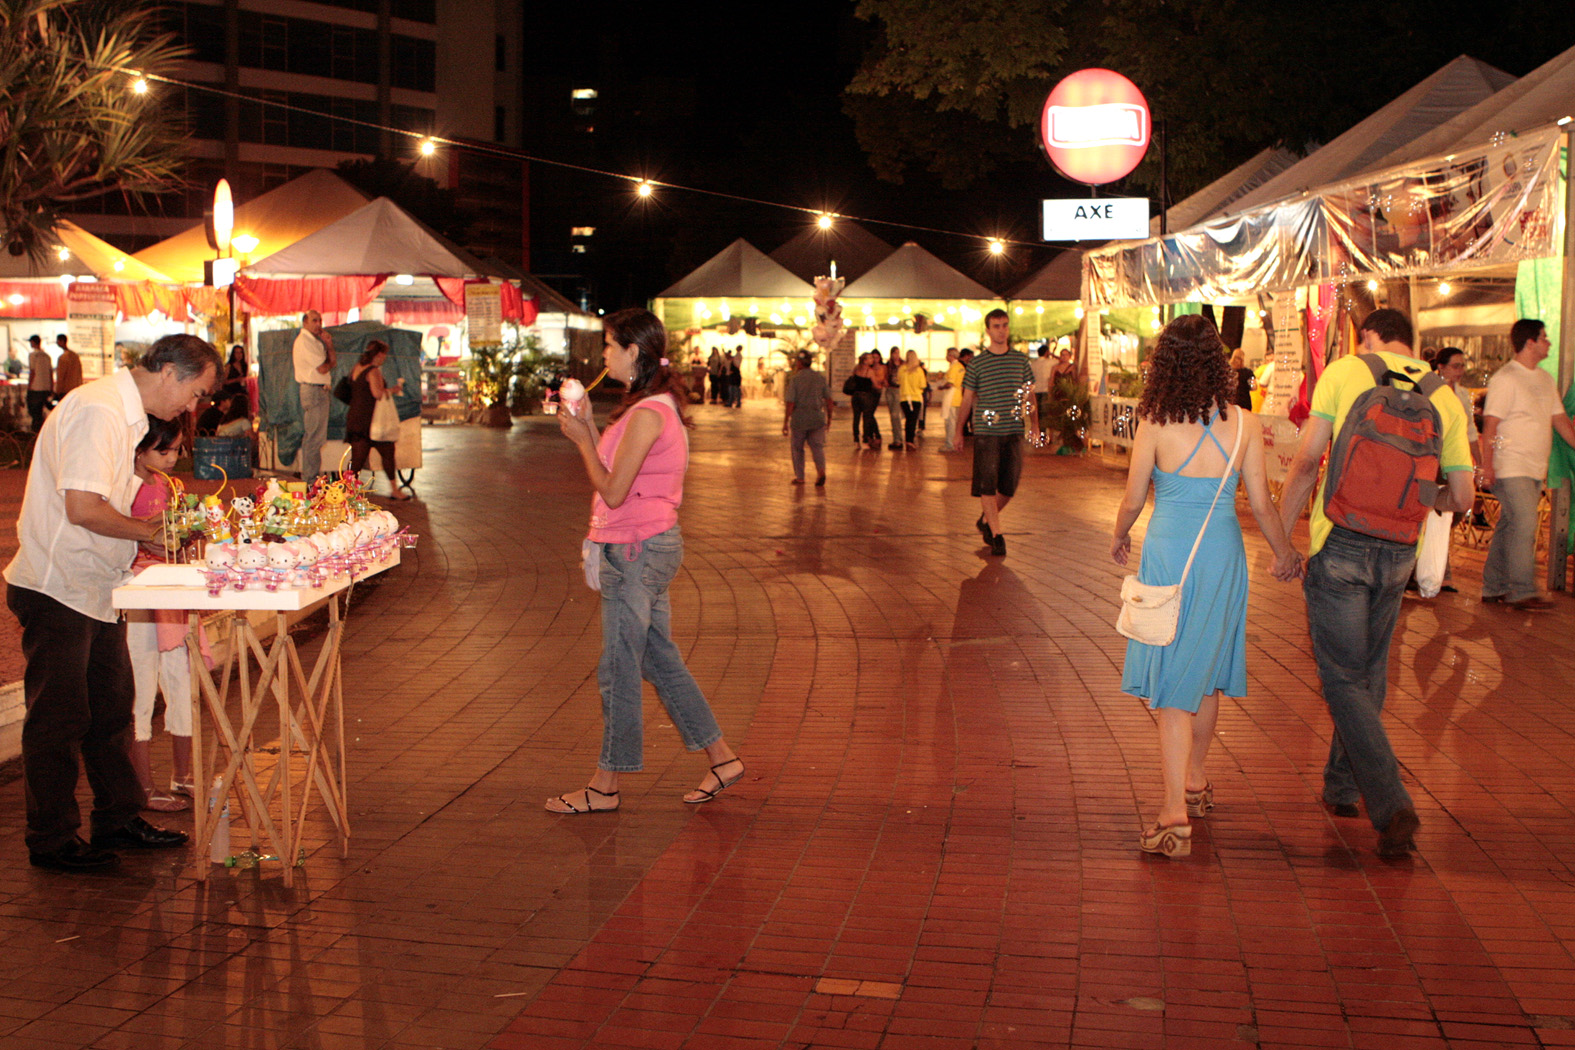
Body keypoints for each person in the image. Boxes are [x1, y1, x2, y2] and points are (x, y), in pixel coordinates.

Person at [5, 332, 219, 872]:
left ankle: (118, 816)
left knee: (111, 709)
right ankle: (51, 839)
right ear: (170, 372)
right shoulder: (100, 410)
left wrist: (150, 531)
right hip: (59, 586)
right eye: (195, 392)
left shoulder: (127, 419)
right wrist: (146, 532)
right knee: (60, 717)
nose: (192, 406)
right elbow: (83, 508)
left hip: (97, 585)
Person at [1279, 309, 1473, 860]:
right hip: (1399, 551)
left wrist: (1284, 544)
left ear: (1368, 335)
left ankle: (1388, 804)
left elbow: (1308, 461)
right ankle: (1342, 784)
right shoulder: (1446, 397)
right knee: (1368, 671)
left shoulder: (1345, 372)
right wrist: (1420, 498)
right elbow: (1459, 498)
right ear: (1411, 341)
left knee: (1341, 678)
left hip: (1338, 540)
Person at [1112, 315, 1302, 858]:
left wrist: (1118, 536)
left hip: (1171, 552)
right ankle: (1195, 781)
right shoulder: (1243, 423)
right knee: (1209, 673)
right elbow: (1262, 504)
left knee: (1173, 683)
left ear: (1164, 362)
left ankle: (1172, 816)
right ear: (1218, 363)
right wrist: (1286, 554)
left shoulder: (1153, 420)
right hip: (1222, 556)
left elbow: (1132, 499)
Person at [549, 308, 744, 813]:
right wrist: (589, 425)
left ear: (634, 352)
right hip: (644, 546)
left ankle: (605, 785)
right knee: (657, 659)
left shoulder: (649, 413)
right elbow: (617, 470)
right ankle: (722, 758)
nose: (605, 355)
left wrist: (578, 443)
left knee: (617, 666)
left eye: (611, 346)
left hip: (635, 550)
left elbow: (612, 490)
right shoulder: (647, 410)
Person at [124, 415, 201, 812]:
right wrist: (152, 536)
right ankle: (142, 785)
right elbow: (124, 538)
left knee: (182, 682)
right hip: (138, 597)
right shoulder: (123, 488)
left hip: (171, 595)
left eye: (177, 450)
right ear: (139, 449)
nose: (173, 458)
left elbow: (175, 538)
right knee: (140, 687)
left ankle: (183, 776)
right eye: (164, 450)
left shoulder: (171, 486)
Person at [1479, 319, 1575, 610]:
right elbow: (1490, 426)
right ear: (1530, 342)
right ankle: (1521, 590)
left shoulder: (1544, 380)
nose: (1548, 343)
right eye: (1544, 337)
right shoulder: (1506, 378)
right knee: (1524, 524)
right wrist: (1487, 466)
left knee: (1511, 525)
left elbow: (1560, 421)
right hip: (1511, 465)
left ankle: (1492, 586)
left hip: (1534, 467)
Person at [959, 310, 1037, 557]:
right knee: (987, 484)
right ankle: (997, 534)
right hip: (986, 432)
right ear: (988, 330)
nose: (1001, 330)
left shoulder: (1021, 361)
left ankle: (985, 520)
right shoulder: (978, 364)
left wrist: (1034, 424)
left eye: (1004, 325)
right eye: (996, 326)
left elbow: (1029, 394)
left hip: (1013, 429)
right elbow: (967, 399)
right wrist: (958, 431)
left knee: (1009, 485)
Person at [1420, 347, 1479, 593]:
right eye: (1455, 365)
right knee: (1430, 511)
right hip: (1432, 457)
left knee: (1450, 512)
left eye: (1463, 365)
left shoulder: (1463, 395)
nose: (1460, 371)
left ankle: (1435, 566)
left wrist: (1479, 460)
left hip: (1454, 459)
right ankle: (1435, 570)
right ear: (1441, 367)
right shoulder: (1430, 391)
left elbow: (1470, 430)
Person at [345, 340, 411, 501]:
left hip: (356, 418)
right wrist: (393, 390)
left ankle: (349, 491)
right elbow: (378, 394)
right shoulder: (373, 371)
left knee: (358, 460)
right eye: (384, 355)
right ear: (379, 355)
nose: (384, 358)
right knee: (388, 453)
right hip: (372, 421)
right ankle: (395, 489)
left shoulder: (357, 368)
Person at [292, 310, 335, 482]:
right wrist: (330, 360)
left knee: (317, 438)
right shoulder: (304, 341)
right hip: (313, 390)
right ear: (305, 322)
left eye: (320, 320)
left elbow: (331, 363)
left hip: (320, 389)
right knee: (313, 438)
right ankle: (310, 479)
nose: (318, 324)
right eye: (314, 320)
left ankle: (312, 477)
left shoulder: (315, 342)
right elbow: (324, 367)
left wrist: (329, 345)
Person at [782, 350, 832, 485]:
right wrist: (829, 419)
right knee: (817, 447)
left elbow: (790, 402)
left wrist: (786, 422)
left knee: (797, 448)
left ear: (799, 363)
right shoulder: (820, 378)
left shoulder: (795, 379)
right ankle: (821, 470)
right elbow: (828, 400)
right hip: (817, 418)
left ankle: (800, 477)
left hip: (799, 419)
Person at [853, 351, 885, 450]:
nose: (872, 360)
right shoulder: (869, 371)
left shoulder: (856, 369)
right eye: (870, 358)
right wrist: (881, 386)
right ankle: (865, 440)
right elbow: (875, 384)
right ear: (865, 361)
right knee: (866, 418)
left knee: (856, 418)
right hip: (866, 397)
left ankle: (856, 440)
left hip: (855, 396)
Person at [897, 350, 927, 449]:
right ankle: (910, 441)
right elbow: (923, 385)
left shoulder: (901, 369)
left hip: (904, 398)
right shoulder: (919, 370)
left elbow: (899, 382)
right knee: (913, 420)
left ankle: (908, 439)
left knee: (908, 420)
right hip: (916, 398)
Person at [937, 348, 965, 452]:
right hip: (957, 398)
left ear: (951, 356)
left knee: (950, 423)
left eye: (947, 355)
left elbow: (950, 384)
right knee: (953, 422)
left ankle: (950, 444)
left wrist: (941, 387)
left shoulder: (954, 367)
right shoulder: (960, 366)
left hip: (952, 398)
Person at [26, 334, 51, 431]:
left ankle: (35, 432)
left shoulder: (33, 355)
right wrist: (51, 388)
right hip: (46, 388)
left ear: (33, 342)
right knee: (41, 412)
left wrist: (29, 386)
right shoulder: (47, 356)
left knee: (34, 412)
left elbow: (32, 371)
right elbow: (50, 372)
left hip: (36, 388)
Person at [1030, 346, 1054, 443]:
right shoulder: (1050, 362)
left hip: (1035, 390)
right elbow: (1061, 360)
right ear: (1047, 352)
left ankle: (1039, 434)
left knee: (1037, 413)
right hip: (1045, 390)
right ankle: (1044, 435)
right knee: (1045, 413)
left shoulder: (1033, 364)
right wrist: (1053, 355)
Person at [883, 348, 904, 450]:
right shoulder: (888, 364)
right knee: (893, 415)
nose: (896, 355)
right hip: (890, 390)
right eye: (894, 353)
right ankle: (896, 437)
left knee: (895, 414)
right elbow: (885, 375)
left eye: (897, 353)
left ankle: (898, 439)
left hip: (898, 390)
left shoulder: (903, 364)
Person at [53, 334, 83, 402]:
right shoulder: (75, 356)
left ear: (62, 341)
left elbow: (61, 376)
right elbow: (79, 372)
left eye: (58, 341)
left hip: (65, 390)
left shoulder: (62, 358)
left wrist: (58, 391)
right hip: (75, 389)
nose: (57, 343)